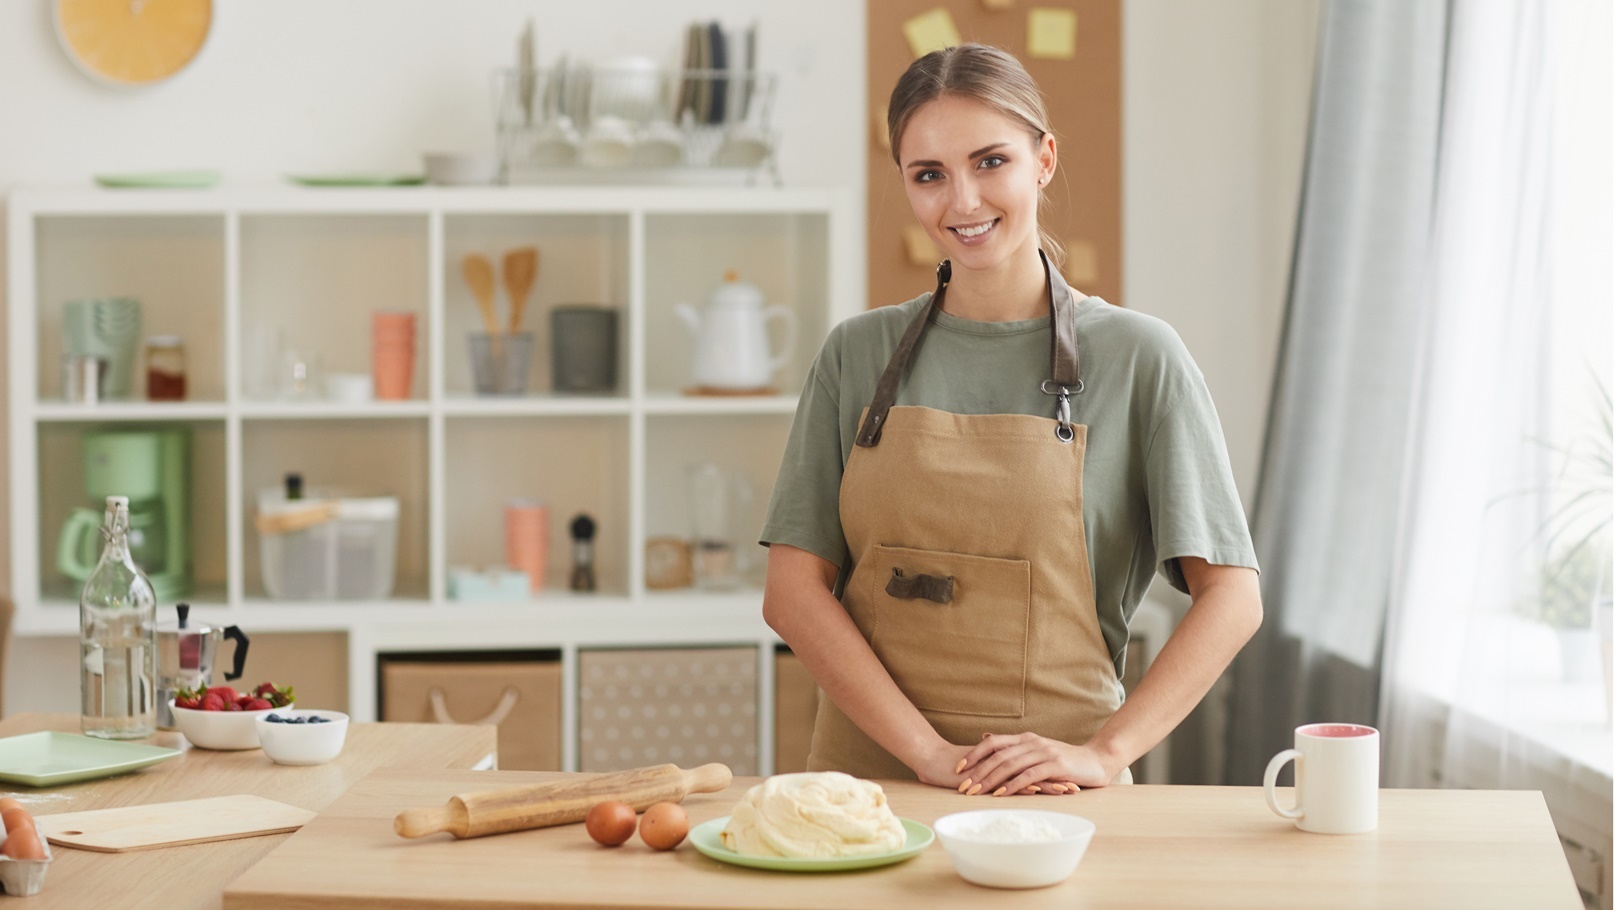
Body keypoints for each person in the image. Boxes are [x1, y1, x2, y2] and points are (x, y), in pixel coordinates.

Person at [759, 43, 1262, 796]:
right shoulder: (853, 354)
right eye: (928, 175)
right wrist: (928, 755)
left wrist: (1104, 752)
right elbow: (792, 592)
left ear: (1043, 160)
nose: (961, 202)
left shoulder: (1137, 357)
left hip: (1056, 793)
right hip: (868, 791)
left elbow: (1233, 598)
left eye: (989, 161)